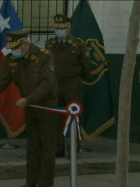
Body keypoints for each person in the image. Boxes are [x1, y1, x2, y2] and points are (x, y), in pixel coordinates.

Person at [0, 29, 58, 187]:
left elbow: (47, 84)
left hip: (46, 107)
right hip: (29, 107)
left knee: (47, 146)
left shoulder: (44, 56)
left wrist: (27, 99)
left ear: (26, 44)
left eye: (16, 47)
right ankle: (31, 182)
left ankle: (44, 184)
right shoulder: (11, 60)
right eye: (11, 48)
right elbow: (0, 81)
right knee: (32, 145)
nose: (13, 51)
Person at [45, 14, 92, 157]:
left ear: (69, 27)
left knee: (74, 116)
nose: (59, 30)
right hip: (55, 85)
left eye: (62, 27)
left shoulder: (77, 45)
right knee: (55, 117)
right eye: (56, 27)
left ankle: (74, 149)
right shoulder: (50, 44)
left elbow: (86, 67)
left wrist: (77, 78)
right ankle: (57, 148)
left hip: (72, 85)